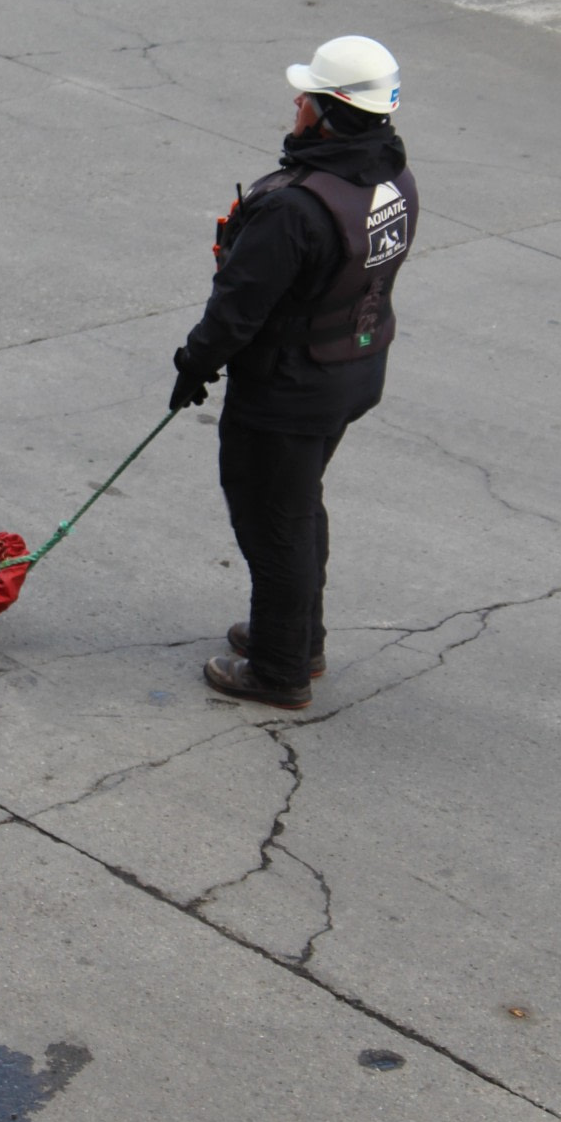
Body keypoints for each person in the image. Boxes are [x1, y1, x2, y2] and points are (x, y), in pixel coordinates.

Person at [169, 35, 417, 710]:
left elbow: (237, 308)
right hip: (352, 368)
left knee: (271, 517)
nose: (296, 104)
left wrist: (194, 363)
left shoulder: (295, 207)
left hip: (291, 389)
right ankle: (297, 636)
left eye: (307, 95)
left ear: (328, 111)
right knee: (298, 501)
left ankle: (279, 669)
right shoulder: (390, 177)